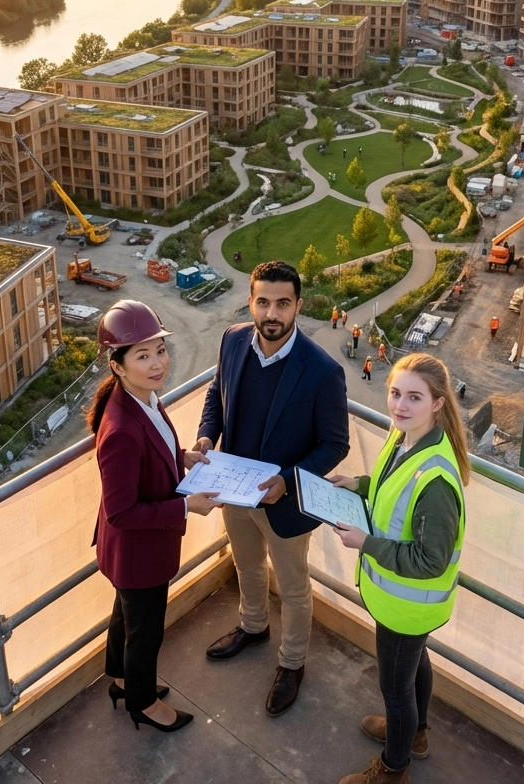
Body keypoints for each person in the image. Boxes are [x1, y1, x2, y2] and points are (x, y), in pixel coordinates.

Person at [196, 261, 350, 716]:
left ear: (298, 306)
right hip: (233, 491)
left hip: (284, 503)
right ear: (251, 302)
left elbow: (334, 444)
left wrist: (285, 482)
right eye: (263, 301)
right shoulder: (232, 339)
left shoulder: (323, 371)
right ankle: (253, 626)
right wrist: (207, 435)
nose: (272, 313)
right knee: (246, 566)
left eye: (283, 303)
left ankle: (292, 664)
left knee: (294, 587)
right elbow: (215, 394)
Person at [330, 354, 469, 784]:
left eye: (414, 397)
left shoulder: (437, 481)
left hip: (406, 607)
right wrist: (360, 484)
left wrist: (365, 543)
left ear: (438, 404)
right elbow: (393, 488)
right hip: (402, 604)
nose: (399, 405)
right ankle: (416, 736)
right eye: (395, 393)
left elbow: (431, 561)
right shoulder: (406, 437)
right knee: (413, 670)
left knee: (395, 690)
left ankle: (393, 771)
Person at [91, 299, 221, 733]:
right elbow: (122, 510)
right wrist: (187, 505)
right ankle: (142, 703)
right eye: (142, 355)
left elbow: (154, 450)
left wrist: (180, 457)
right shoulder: (121, 429)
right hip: (138, 551)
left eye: (159, 350)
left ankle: (122, 679)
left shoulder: (141, 398)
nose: (157, 363)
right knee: (145, 632)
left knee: (126, 619)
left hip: (132, 551)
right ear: (117, 365)